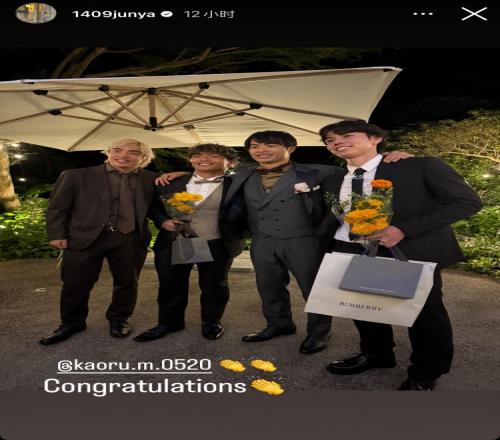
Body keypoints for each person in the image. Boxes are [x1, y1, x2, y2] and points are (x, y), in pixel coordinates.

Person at [159, 131, 410, 354]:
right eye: (255, 146)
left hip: (304, 240)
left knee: (313, 289)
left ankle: (319, 333)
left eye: (270, 145)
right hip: (262, 240)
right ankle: (279, 324)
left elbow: (360, 168)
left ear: (290, 148)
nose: (261, 150)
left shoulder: (317, 171)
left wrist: (389, 157)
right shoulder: (242, 173)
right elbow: (209, 173)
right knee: (269, 287)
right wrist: (181, 174)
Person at [319, 120, 482, 390]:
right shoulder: (332, 178)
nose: (337, 142)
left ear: (375, 138)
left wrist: (404, 229)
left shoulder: (418, 166)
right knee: (364, 308)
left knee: (423, 314)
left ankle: (427, 371)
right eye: (330, 140)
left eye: (347, 135)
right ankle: (377, 355)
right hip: (350, 249)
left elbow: (468, 202)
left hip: (407, 250)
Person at [39, 139, 165, 345]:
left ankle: (119, 319)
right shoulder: (75, 176)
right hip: (83, 237)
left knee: (127, 283)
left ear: (144, 158)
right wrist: (57, 234)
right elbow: (58, 208)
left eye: (133, 152)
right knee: (75, 284)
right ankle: (71, 323)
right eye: (117, 150)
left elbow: (156, 207)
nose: (123, 156)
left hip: (130, 238)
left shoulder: (151, 179)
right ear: (108, 153)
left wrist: (165, 219)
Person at [134, 143, 245, 342]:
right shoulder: (171, 181)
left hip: (217, 241)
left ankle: (211, 322)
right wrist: (162, 221)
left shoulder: (238, 184)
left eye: (213, 156)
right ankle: (169, 323)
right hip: (176, 240)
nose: (204, 159)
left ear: (229, 162)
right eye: (198, 155)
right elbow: (153, 205)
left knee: (214, 286)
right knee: (170, 285)